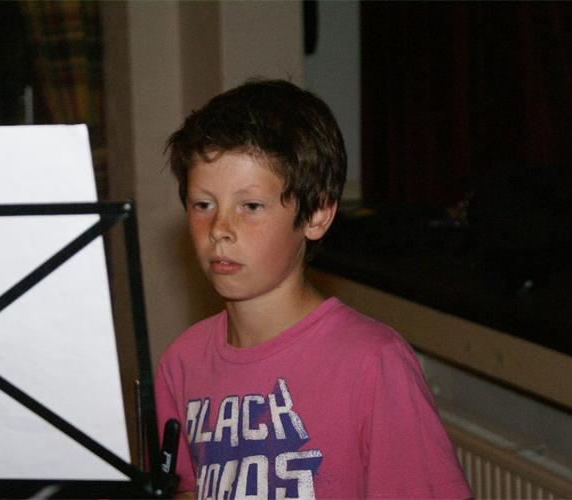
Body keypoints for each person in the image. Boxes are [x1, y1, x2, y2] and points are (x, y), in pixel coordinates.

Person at [155, 79, 471, 499]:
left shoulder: (373, 363)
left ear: (317, 214)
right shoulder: (181, 363)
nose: (219, 229)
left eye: (250, 206)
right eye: (203, 205)